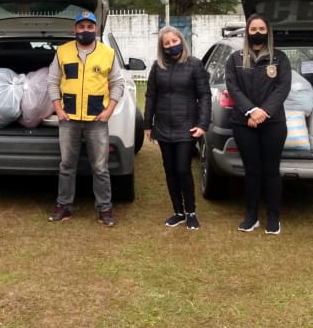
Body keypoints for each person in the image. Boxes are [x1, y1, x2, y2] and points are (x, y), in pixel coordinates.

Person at [47, 11, 125, 227]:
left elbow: (117, 83)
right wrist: (58, 109)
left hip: (97, 121)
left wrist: (109, 110)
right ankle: (63, 206)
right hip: (68, 119)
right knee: (66, 165)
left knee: (100, 167)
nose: (85, 31)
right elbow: (52, 81)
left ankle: (105, 209)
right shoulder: (63, 52)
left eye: (89, 27)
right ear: (75, 30)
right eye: (81, 27)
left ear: (96, 29)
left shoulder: (107, 54)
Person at [225, 13, 291, 235]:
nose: (257, 33)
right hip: (244, 123)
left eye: (261, 29)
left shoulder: (279, 58)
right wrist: (251, 111)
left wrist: (264, 112)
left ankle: (273, 217)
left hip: (274, 122)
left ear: (268, 32)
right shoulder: (235, 59)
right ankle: (251, 216)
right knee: (252, 171)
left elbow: (282, 88)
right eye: (253, 29)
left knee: (271, 171)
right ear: (247, 32)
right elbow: (233, 88)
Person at [144, 26, 211, 230]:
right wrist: (147, 124)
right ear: (162, 47)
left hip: (186, 127)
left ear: (182, 41)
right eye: (167, 43)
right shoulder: (157, 67)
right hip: (163, 127)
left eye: (174, 41)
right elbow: (151, 96)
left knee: (183, 169)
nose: (172, 45)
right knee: (170, 170)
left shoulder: (195, 65)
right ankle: (178, 212)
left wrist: (203, 124)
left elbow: (205, 96)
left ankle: (191, 211)